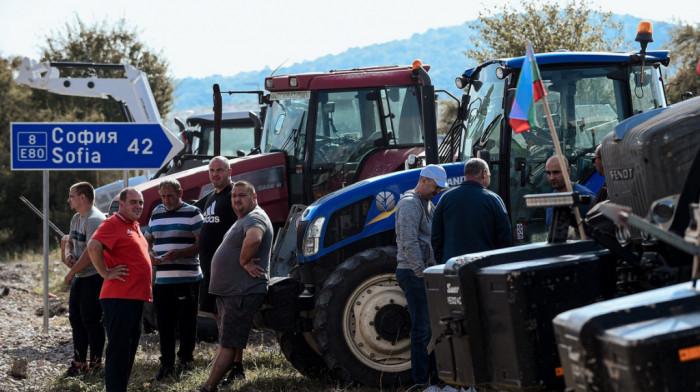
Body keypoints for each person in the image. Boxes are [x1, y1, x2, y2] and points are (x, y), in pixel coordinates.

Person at [195, 181, 273, 392]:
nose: (237, 199)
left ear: (254, 197)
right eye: (234, 196)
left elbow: (255, 238)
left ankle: (208, 387)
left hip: (242, 290)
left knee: (228, 343)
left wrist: (243, 261)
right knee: (226, 341)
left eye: (242, 195)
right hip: (232, 291)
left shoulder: (255, 217)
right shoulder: (244, 218)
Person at [87, 187, 152, 392]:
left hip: (134, 297)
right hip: (119, 298)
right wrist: (105, 273)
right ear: (121, 203)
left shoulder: (134, 225)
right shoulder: (113, 223)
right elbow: (93, 246)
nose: (138, 206)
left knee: (129, 350)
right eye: (133, 202)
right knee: (118, 351)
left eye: (140, 202)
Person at [145, 179, 204, 381]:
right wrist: (150, 254)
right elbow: (147, 240)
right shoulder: (157, 212)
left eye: (170, 196)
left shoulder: (193, 213)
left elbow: (201, 244)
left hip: (186, 277)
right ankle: (167, 365)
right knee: (164, 324)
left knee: (187, 323)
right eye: (163, 196)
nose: (167, 200)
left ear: (180, 193)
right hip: (162, 280)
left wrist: (180, 253)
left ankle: (186, 361)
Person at [395, 165, 447, 391]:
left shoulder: (427, 204)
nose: (437, 192)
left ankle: (435, 379)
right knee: (422, 329)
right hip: (413, 272)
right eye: (436, 187)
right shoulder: (409, 204)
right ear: (424, 180)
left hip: (423, 272)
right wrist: (421, 272)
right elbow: (409, 241)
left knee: (432, 328)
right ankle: (420, 382)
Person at [60, 182, 106, 377]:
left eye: (71, 196)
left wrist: (70, 273)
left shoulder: (94, 220)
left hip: (93, 278)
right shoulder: (77, 217)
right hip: (80, 277)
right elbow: (69, 241)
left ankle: (96, 364)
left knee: (92, 321)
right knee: (76, 320)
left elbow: (90, 253)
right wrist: (69, 254)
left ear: (82, 197)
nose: (68, 199)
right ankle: (79, 363)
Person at [432, 158, 512, 264]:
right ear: (484, 173)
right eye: (489, 175)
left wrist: (443, 262)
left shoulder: (446, 198)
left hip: (453, 268)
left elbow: (436, 236)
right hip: (486, 267)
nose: (489, 177)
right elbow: (505, 238)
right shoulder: (493, 199)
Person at [195, 156, 237, 321]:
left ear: (230, 171)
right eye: (212, 170)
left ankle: (230, 346)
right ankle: (223, 344)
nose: (215, 174)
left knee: (227, 312)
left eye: (219, 170)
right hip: (208, 267)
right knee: (215, 312)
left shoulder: (234, 196)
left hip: (226, 267)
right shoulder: (211, 196)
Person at [544, 155, 596, 227]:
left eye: (556, 172)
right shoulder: (550, 199)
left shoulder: (584, 197)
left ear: (568, 172)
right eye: (548, 173)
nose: (552, 177)